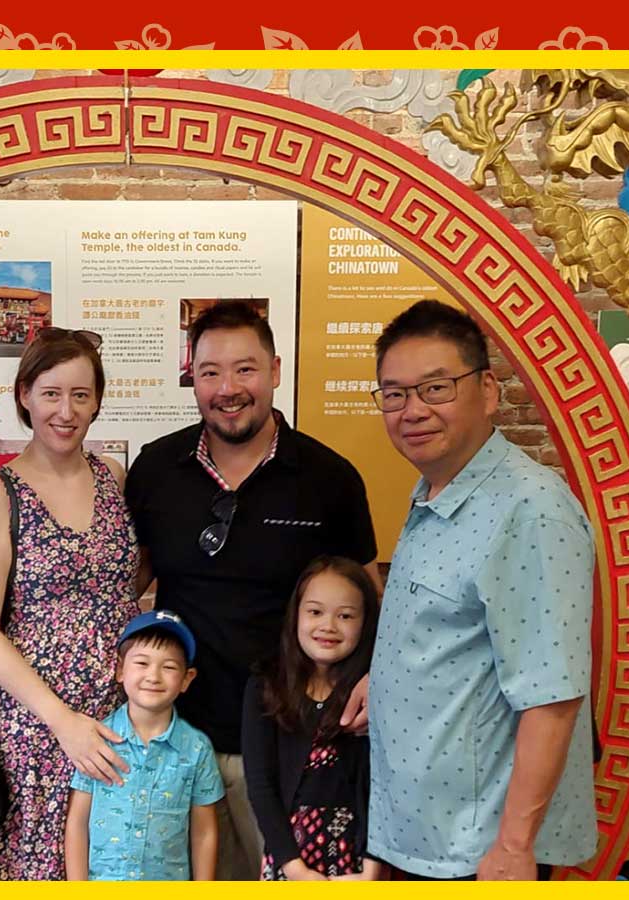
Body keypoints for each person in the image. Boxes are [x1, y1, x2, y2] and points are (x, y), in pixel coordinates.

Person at [124, 301, 380, 879]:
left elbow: (368, 601)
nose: (227, 388)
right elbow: (128, 582)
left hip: (294, 747)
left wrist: (372, 680)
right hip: (177, 740)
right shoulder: (156, 469)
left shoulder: (329, 478)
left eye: (245, 369)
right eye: (210, 372)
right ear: (192, 376)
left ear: (276, 371)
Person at [366, 300, 597, 881]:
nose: (412, 411)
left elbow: (552, 694)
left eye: (435, 388)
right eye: (393, 394)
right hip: (424, 834)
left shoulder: (530, 507)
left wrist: (515, 846)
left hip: (481, 850)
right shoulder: (436, 494)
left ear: (488, 391)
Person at [0, 328, 140, 880]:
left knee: (122, 857)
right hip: (41, 725)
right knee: (44, 867)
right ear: (24, 396)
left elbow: (122, 585)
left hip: (122, 713)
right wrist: (63, 722)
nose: (66, 410)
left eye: (81, 395)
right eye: (51, 393)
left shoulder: (112, 475)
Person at [242, 556, 382, 881]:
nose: (328, 626)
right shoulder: (266, 686)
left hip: (358, 860)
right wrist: (295, 869)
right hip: (289, 856)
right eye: (315, 612)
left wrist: (371, 869)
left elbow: (386, 788)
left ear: (365, 622)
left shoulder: (372, 695)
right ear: (296, 615)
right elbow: (261, 786)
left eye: (345, 615)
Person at [65, 610, 224, 880]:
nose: (154, 676)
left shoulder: (197, 749)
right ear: (119, 669)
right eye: (142, 663)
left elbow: (204, 832)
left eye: (169, 667)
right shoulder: (97, 739)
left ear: (187, 678)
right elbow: (77, 823)